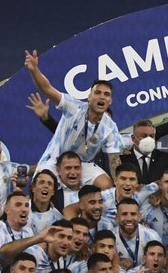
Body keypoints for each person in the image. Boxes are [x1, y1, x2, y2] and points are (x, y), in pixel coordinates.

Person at [25, 50, 118, 187]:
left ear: (110, 101)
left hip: (83, 164)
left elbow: (115, 161)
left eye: (106, 94)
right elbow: (47, 88)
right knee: (43, 185)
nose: (102, 97)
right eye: (97, 93)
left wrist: (119, 186)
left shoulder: (110, 127)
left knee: (106, 185)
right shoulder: (74, 107)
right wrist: (34, 70)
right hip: (54, 160)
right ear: (89, 97)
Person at [120, 119, 168, 184]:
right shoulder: (122, 160)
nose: (148, 139)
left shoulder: (165, 158)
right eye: (144, 136)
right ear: (133, 138)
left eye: (151, 136)